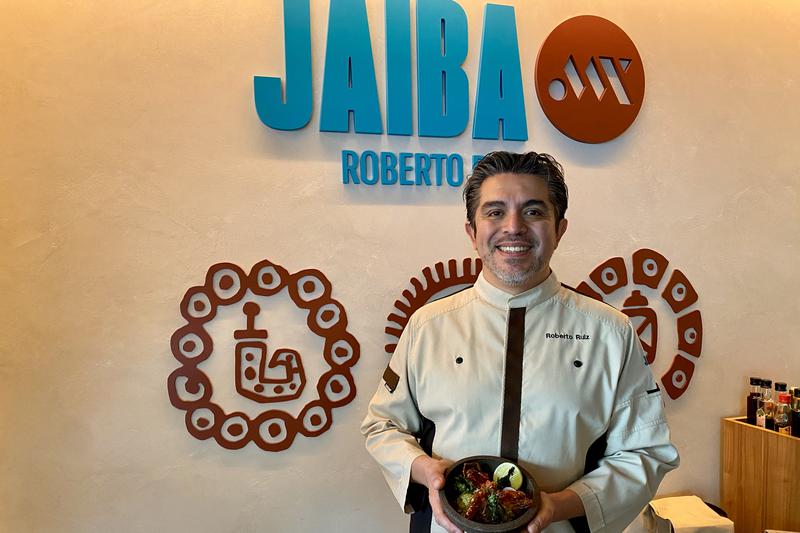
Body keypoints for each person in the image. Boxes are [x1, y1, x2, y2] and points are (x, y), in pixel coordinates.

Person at [361, 151, 679, 533]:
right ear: (472, 232)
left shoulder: (611, 332)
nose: (513, 227)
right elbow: (383, 425)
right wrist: (424, 470)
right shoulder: (427, 326)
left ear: (559, 229)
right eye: (494, 212)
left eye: (533, 212)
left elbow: (645, 451)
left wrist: (559, 505)